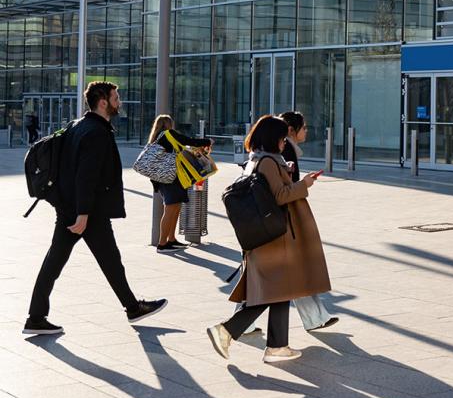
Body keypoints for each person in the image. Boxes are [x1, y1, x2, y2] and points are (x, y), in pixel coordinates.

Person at [23, 81, 167, 336]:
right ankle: (132, 307)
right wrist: (83, 213)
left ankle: (36, 317)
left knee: (64, 261)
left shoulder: (77, 126)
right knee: (106, 260)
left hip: (71, 208)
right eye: (116, 98)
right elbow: (85, 176)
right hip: (88, 212)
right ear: (103, 102)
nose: (119, 102)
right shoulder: (97, 133)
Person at [207, 115, 331, 363]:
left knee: (281, 290)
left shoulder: (258, 158)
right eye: (282, 138)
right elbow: (280, 195)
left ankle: (276, 346)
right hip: (276, 237)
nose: (285, 142)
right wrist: (304, 184)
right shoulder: (268, 162)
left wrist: (287, 172)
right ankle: (228, 331)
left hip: (269, 235)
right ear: (274, 138)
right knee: (278, 290)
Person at [279, 111, 340, 330]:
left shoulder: (284, 150)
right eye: (304, 127)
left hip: (280, 219)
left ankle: (316, 317)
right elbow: (285, 189)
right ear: (291, 130)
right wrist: (304, 184)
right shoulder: (284, 151)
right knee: (291, 270)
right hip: (282, 220)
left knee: (276, 272)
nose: (306, 131)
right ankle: (315, 317)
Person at [145, 114, 213, 251]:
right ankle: (162, 244)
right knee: (170, 208)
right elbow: (188, 141)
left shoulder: (156, 138)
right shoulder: (169, 134)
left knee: (175, 207)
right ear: (169, 124)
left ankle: (171, 239)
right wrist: (207, 141)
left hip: (166, 178)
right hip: (170, 178)